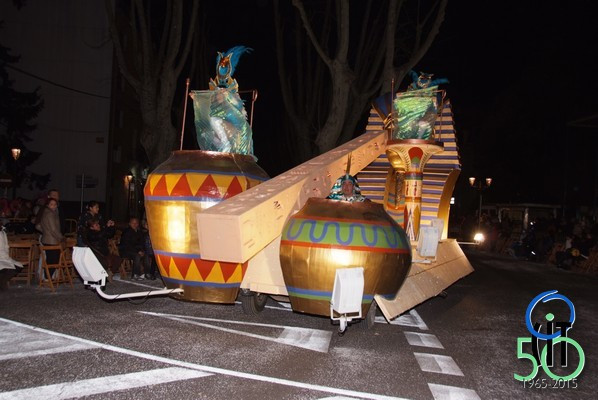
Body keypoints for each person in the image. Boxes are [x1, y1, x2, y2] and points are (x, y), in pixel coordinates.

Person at [36, 198, 64, 266]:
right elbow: (53, 229)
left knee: (49, 260)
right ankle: (48, 273)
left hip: (47, 239)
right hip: (52, 241)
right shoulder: (50, 214)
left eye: (55, 204)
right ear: (48, 205)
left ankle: (46, 272)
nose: (54, 206)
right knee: (53, 261)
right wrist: (61, 238)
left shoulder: (45, 212)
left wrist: (45, 231)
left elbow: (38, 226)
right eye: (51, 204)